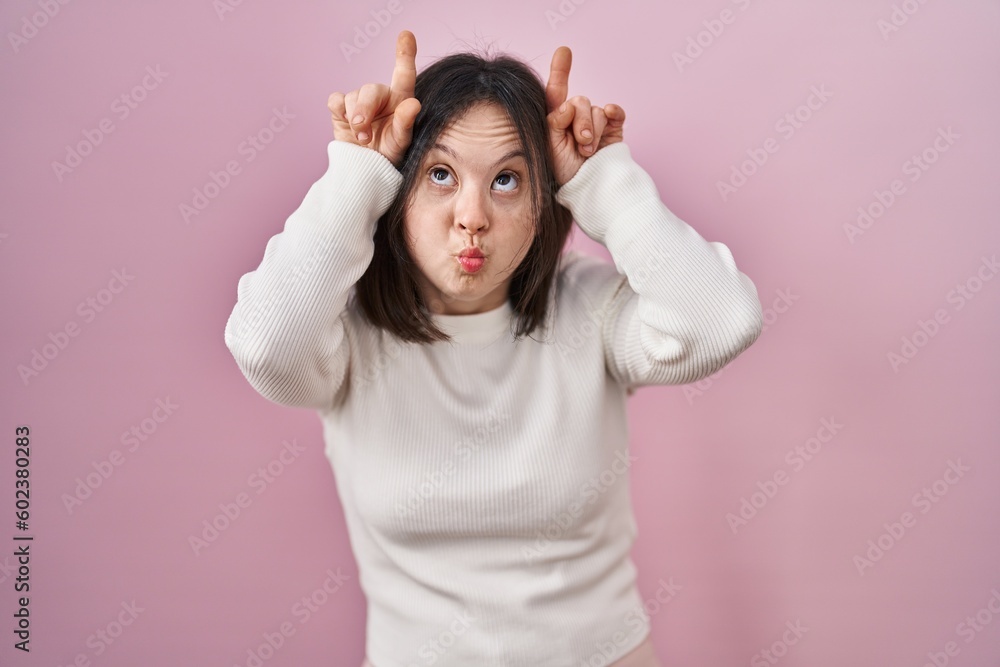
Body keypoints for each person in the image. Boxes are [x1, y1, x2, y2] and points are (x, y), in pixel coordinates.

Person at [224, 29, 763, 667]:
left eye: (507, 180)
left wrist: (604, 178)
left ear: (544, 203)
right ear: (397, 194)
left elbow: (722, 321)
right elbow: (263, 345)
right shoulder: (346, 333)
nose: (472, 216)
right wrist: (355, 175)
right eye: (441, 175)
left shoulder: (589, 309)